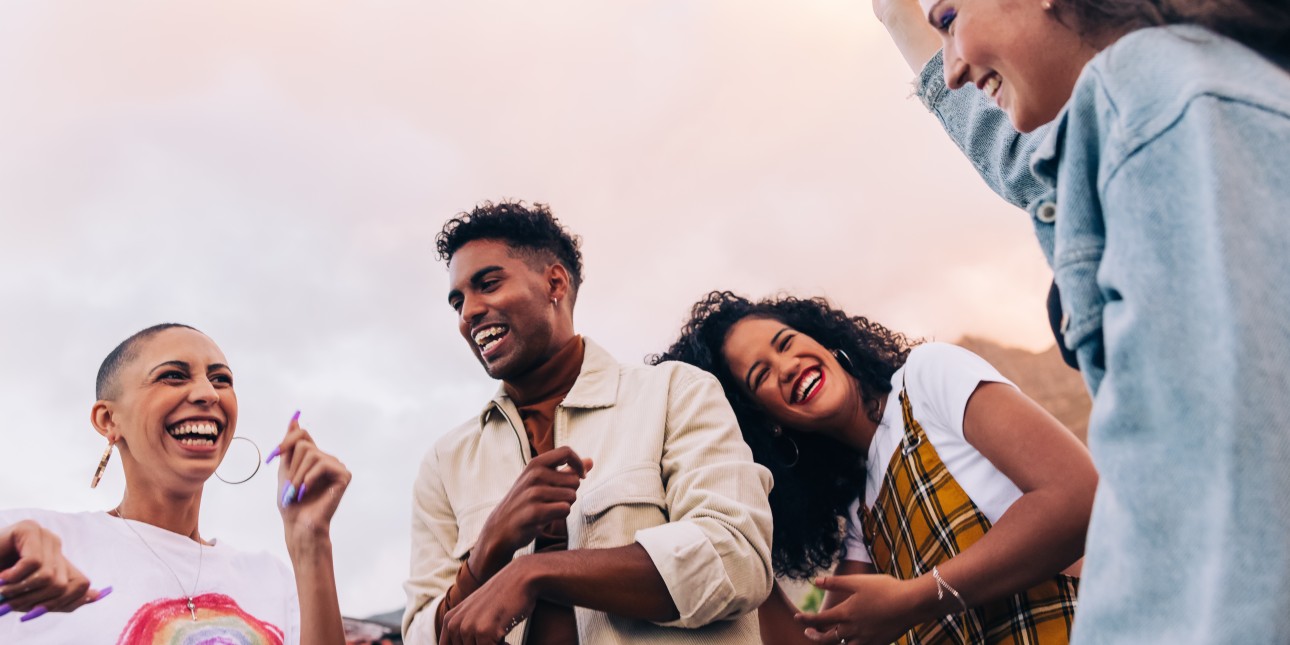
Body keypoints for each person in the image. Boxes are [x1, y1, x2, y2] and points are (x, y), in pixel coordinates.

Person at [871, 0, 1290, 640]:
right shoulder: (1167, 94)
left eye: (950, 17)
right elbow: (1034, 158)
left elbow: (1238, 475)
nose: (951, 72)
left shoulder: (1150, 98)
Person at [402, 202, 774, 644]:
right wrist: (486, 553)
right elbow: (423, 635)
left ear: (554, 282)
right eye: (458, 301)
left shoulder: (675, 393)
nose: (468, 313)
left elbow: (737, 559)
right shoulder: (444, 464)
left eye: (488, 284)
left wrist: (536, 572)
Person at [654, 291, 1096, 645]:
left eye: (786, 343)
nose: (787, 367)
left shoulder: (927, 379)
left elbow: (1078, 496)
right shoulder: (862, 514)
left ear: (823, 341)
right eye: (761, 376)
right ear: (765, 423)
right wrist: (740, 532)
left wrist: (916, 600)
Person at [0, 323, 351, 644]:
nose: (208, 393)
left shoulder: (272, 579)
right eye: (173, 376)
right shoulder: (28, 544)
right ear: (108, 419)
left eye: (221, 380)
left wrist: (311, 543)